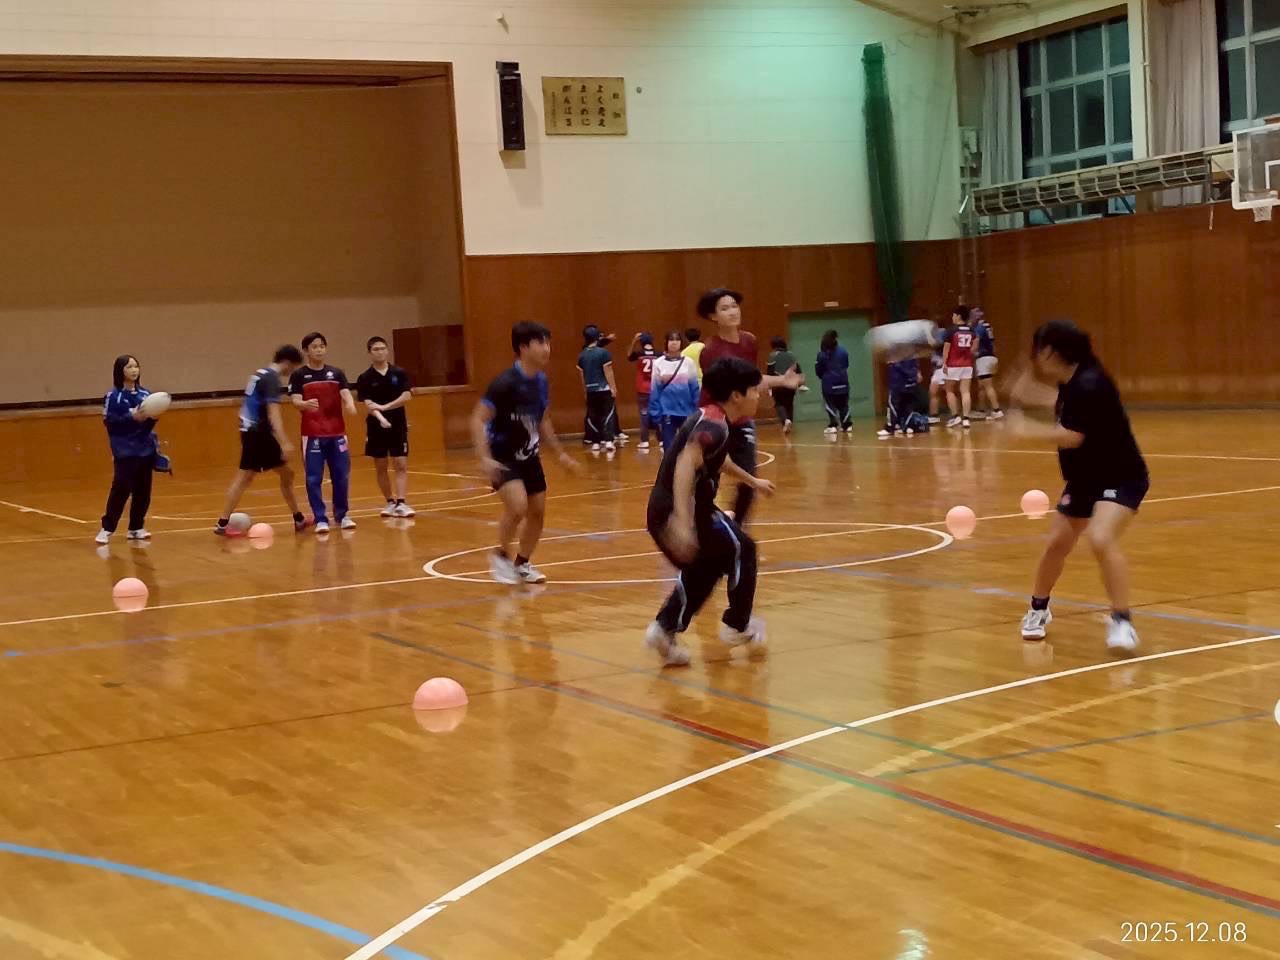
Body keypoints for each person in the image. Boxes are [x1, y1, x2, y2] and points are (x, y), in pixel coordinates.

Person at [1012, 320, 1149, 654]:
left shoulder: (1090, 383)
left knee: (1100, 537)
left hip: (1121, 476)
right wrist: (1029, 392)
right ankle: (1038, 608)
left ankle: (1122, 622)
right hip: (1085, 478)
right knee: (1057, 543)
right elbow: (1063, 404)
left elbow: (1072, 436)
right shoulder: (1073, 378)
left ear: (1051, 352)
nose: (1036, 357)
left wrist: (1025, 430)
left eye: (1038, 350)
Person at [645, 357, 776, 666]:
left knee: (707, 566)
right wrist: (682, 520)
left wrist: (753, 481)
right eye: (754, 390)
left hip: (662, 511)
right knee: (743, 548)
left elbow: (716, 460)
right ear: (736, 395)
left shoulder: (715, 419)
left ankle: (664, 630)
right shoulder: (714, 426)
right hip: (682, 511)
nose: (758, 395)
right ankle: (738, 625)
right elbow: (686, 462)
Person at [473, 322, 578, 585]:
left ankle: (522, 563)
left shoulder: (541, 382)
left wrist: (560, 455)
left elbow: (543, 419)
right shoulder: (505, 383)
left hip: (529, 456)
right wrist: (484, 457)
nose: (547, 348)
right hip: (503, 456)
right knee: (518, 506)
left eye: (548, 342)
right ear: (523, 347)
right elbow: (477, 419)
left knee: (538, 512)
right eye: (540, 343)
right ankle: (500, 555)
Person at [695, 288, 800, 524]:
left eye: (734, 306)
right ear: (713, 316)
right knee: (709, 480)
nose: (733, 311)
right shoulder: (710, 350)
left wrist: (781, 382)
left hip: (741, 420)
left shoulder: (749, 341)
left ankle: (737, 530)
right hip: (716, 420)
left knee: (748, 479)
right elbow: (738, 387)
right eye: (725, 308)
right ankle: (704, 527)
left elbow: (751, 379)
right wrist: (777, 382)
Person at [215, 346, 309, 536]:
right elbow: (273, 413)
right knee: (246, 477)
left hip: (251, 432)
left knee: (284, 473)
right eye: (293, 367)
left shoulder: (259, 374)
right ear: (287, 362)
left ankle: (298, 518)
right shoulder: (271, 379)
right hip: (259, 434)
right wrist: (284, 441)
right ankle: (222, 523)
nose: (291, 371)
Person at [289, 332, 358, 534]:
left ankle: (343, 515)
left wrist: (350, 404)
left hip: (337, 433)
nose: (319, 350)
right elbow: (295, 400)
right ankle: (320, 518)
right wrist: (304, 404)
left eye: (322, 346)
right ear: (306, 351)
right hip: (312, 434)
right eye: (314, 347)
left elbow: (345, 392)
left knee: (341, 475)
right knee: (313, 478)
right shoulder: (299, 375)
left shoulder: (336, 373)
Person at [95, 355, 158, 545]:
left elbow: (148, 424)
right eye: (129, 367)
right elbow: (110, 422)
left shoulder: (146, 395)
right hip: (125, 450)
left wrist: (152, 417)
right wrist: (132, 417)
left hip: (145, 449)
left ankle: (136, 527)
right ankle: (107, 528)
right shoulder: (113, 396)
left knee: (143, 490)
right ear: (120, 370)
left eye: (136, 366)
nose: (134, 370)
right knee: (121, 489)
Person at [355, 336, 415, 518]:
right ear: (369, 353)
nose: (380, 352)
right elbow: (368, 403)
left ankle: (402, 502)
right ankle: (390, 502)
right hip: (376, 426)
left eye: (383, 348)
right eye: (376, 349)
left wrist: (385, 407)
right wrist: (380, 416)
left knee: (400, 463)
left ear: (387, 351)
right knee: (381, 465)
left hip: (398, 424)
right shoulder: (365, 377)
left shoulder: (399, 372)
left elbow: (406, 396)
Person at [648, 330, 701, 451]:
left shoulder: (688, 362)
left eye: (677, 339)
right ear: (666, 342)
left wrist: (697, 410)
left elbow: (694, 388)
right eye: (671, 339)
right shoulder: (658, 363)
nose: (674, 342)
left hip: (687, 412)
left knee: (688, 447)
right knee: (669, 448)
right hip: (667, 412)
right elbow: (655, 390)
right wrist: (656, 414)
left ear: (681, 343)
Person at [577, 324, 619, 453]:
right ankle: (608, 440)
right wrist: (613, 387)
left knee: (593, 416)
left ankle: (596, 442)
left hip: (590, 390)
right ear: (597, 337)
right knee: (608, 414)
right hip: (604, 389)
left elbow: (582, 376)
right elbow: (608, 371)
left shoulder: (582, 356)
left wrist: (585, 391)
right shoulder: (603, 353)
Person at [941, 305, 977, 429]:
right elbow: (974, 347)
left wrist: (944, 363)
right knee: (965, 391)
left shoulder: (951, 330)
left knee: (949, 390)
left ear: (958, 316)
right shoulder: (972, 330)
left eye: (954, 315)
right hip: (967, 364)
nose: (952, 317)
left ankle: (955, 416)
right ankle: (966, 419)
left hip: (953, 364)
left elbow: (946, 348)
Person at [815, 330, 852, 435]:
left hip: (829, 383)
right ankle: (847, 425)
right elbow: (846, 365)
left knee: (830, 404)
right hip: (843, 381)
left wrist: (823, 376)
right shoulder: (843, 351)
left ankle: (833, 425)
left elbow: (818, 370)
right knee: (844, 404)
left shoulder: (822, 354)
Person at [627, 332, 658, 451]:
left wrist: (633, 341)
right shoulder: (658, 354)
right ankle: (661, 440)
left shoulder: (639, 354)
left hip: (642, 389)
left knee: (644, 415)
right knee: (657, 413)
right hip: (655, 388)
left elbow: (629, 356)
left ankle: (644, 441)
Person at [878, 355, 922, 438]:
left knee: (893, 404)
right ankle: (906, 426)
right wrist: (916, 373)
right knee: (907, 404)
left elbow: (900, 365)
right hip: (910, 381)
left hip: (898, 382)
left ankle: (890, 427)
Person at [766, 336, 802, 434]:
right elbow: (798, 369)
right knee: (789, 403)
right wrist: (799, 383)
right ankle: (789, 421)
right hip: (790, 383)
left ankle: (785, 420)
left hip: (778, 383)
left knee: (779, 403)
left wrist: (770, 386)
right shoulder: (791, 355)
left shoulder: (772, 356)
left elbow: (770, 371)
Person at [973, 307, 1003, 419]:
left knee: (988, 386)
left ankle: (997, 410)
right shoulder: (988, 326)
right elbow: (993, 344)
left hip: (983, 357)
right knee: (982, 386)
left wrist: (971, 352)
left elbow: (976, 343)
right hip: (991, 357)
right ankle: (981, 410)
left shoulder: (979, 328)